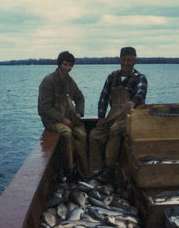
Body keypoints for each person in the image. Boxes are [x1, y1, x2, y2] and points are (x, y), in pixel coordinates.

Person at [89, 47, 147, 182]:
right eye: (124, 59)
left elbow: (141, 93)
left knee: (115, 131)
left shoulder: (140, 78)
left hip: (131, 119)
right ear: (120, 60)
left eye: (130, 60)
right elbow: (103, 97)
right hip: (112, 116)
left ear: (135, 61)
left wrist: (133, 102)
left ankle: (110, 169)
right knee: (94, 135)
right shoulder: (112, 77)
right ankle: (97, 169)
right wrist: (101, 116)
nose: (126, 63)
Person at [38, 51, 90, 182]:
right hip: (51, 120)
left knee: (82, 134)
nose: (67, 68)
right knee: (66, 133)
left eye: (70, 65)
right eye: (65, 64)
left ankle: (84, 172)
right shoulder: (48, 81)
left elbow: (80, 97)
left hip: (68, 117)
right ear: (59, 64)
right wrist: (62, 119)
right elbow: (44, 108)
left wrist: (79, 113)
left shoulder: (69, 81)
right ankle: (68, 170)